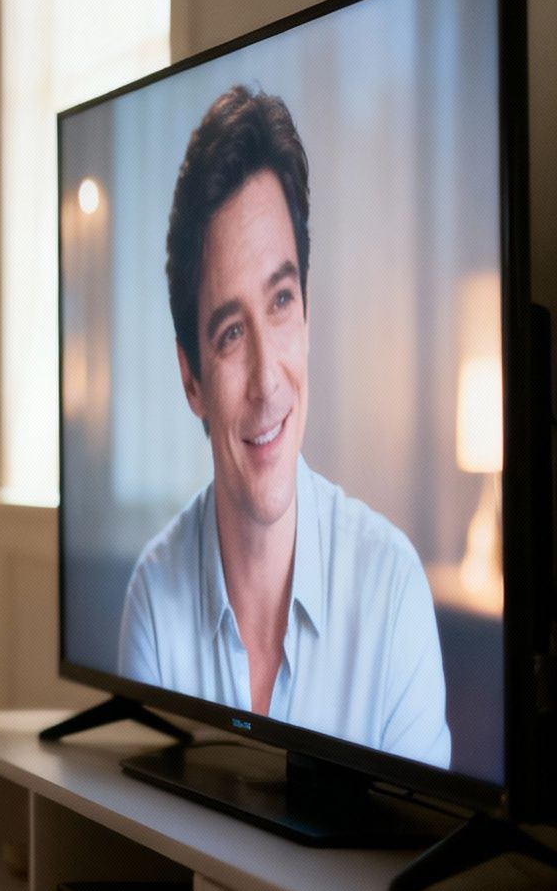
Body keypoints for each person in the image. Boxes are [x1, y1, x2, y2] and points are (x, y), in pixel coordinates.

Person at [117, 84, 451, 769]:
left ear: (307, 316)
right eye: (232, 332)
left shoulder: (392, 595)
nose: (269, 380)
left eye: (281, 301)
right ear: (191, 380)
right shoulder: (154, 600)